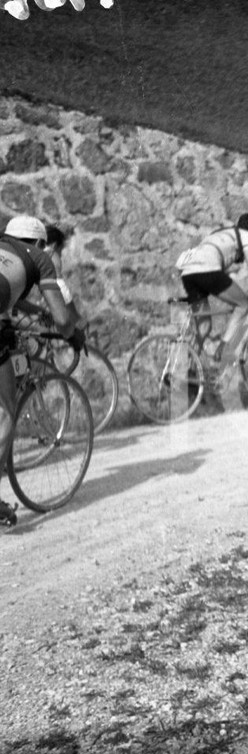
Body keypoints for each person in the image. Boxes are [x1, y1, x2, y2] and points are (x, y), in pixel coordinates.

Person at [0, 215, 85, 526]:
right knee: (6, 410)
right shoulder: (40, 259)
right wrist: (72, 332)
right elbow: (64, 320)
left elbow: (10, 296)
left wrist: (36, 312)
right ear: (39, 243)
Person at [175, 213, 248, 374]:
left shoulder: (220, 234)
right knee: (243, 304)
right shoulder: (246, 235)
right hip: (208, 270)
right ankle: (223, 347)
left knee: (204, 328)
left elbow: (216, 262)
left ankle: (185, 373)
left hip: (188, 275)